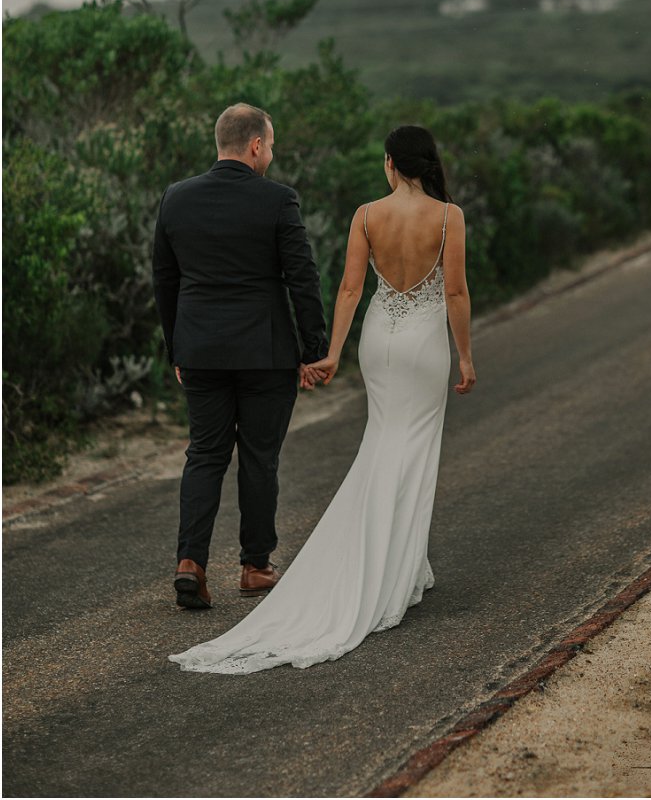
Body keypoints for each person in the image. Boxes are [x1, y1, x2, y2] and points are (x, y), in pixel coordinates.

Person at [168, 124, 476, 673]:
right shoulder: (448, 217)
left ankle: (195, 558)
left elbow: (350, 289)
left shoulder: (365, 215)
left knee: (218, 451)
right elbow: (452, 292)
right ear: (428, 164)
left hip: (367, 341)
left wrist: (332, 352)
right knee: (408, 448)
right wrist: (467, 357)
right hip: (412, 345)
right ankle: (370, 566)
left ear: (389, 163)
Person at [152, 102, 328, 610]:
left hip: (200, 350)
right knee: (258, 457)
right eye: (270, 145)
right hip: (264, 352)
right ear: (255, 145)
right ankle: (255, 566)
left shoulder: (175, 198)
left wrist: (176, 348)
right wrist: (313, 349)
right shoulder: (277, 200)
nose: (270, 153)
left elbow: (165, 279)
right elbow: (302, 277)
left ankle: (191, 563)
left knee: (204, 454)